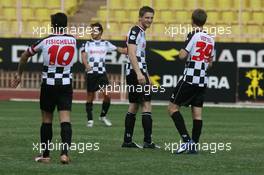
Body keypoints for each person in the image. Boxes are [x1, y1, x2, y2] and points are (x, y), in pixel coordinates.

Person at [11, 13, 77, 163]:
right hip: (66, 84)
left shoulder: (45, 41)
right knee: (65, 119)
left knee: (47, 120)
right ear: (66, 25)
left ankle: (46, 155)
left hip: (48, 85)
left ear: (52, 25)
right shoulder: (73, 40)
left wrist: (19, 74)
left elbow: (24, 56)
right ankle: (64, 154)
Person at [167, 9, 215, 154]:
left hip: (189, 78)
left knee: (172, 108)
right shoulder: (211, 38)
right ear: (204, 21)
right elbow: (210, 63)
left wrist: (184, 52)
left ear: (192, 20)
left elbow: (182, 55)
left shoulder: (193, 34)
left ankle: (187, 141)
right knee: (197, 114)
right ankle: (194, 146)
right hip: (202, 80)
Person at [122, 6, 159, 149]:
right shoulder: (135, 31)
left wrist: (147, 75)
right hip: (136, 72)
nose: (149, 20)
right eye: (147, 17)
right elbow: (131, 53)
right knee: (146, 104)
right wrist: (139, 73)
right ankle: (148, 142)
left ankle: (127, 140)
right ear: (140, 17)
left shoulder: (141, 32)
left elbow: (140, 56)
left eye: (151, 18)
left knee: (134, 105)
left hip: (139, 72)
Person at [81, 22, 127, 127]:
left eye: (95, 30)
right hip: (91, 73)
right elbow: (83, 56)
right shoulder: (87, 44)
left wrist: (129, 49)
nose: (92, 32)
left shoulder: (106, 44)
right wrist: (86, 65)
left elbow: (119, 49)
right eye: (91, 30)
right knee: (90, 97)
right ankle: (90, 120)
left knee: (107, 95)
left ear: (100, 32)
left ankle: (102, 116)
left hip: (102, 74)